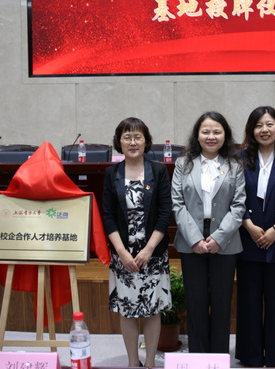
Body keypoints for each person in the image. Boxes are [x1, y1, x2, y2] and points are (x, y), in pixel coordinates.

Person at [171, 111, 246, 353]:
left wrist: (219, 238)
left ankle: (219, 357)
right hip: (190, 239)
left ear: (225, 135)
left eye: (216, 132)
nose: (211, 136)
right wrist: (195, 239)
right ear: (197, 135)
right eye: (206, 132)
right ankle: (198, 357)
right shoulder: (183, 164)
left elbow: (238, 206)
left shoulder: (234, 166)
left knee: (222, 302)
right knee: (196, 302)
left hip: (225, 240)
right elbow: (177, 204)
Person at [102, 117, 172, 367]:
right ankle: (133, 362)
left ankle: (150, 362)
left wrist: (149, 249)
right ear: (119, 142)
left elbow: (165, 213)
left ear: (146, 141)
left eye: (137, 137)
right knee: (128, 309)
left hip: (152, 253)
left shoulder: (159, 171)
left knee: (152, 310)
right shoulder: (111, 173)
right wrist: (121, 252)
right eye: (127, 137)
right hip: (124, 254)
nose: (132, 142)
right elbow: (107, 215)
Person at [235, 106, 275, 367]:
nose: (264, 130)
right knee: (248, 301)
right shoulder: (239, 158)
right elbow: (233, 195)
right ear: (251, 130)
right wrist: (248, 225)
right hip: (247, 238)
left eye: (270, 124)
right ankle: (250, 355)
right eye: (259, 125)